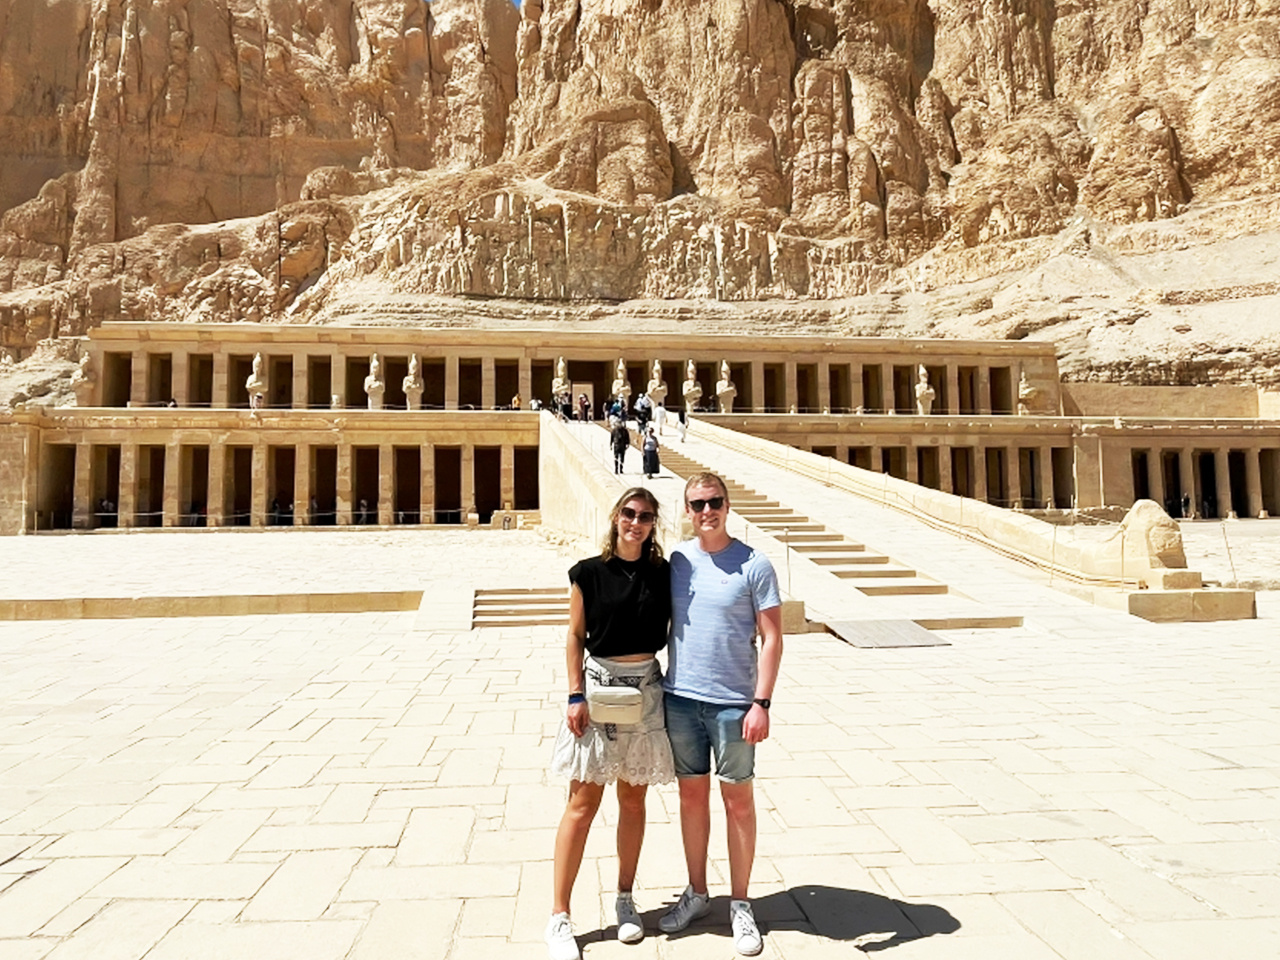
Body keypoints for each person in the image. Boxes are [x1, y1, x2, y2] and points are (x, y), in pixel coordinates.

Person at [546, 488, 674, 960]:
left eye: (645, 516)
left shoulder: (664, 573)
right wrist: (574, 693)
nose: (636, 523)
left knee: (633, 801)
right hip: (599, 692)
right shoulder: (587, 573)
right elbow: (575, 635)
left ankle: (625, 898)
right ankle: (560, 915)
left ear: (653, 524)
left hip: (646, 693)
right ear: (616, 517)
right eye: (629, 513)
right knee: (582, 804)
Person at [659, 472, 783, 957]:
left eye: (714, 502)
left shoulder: (755, 564)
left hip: (734, 704)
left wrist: (761, 703)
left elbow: (772, 637)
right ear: (687, 511)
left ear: (728, 506)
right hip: (681, 698)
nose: (706, 511)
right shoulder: (678, 561)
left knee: (738, 803)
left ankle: (741, 903)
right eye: (697, 504)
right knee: (691, 799)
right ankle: (696, 892)